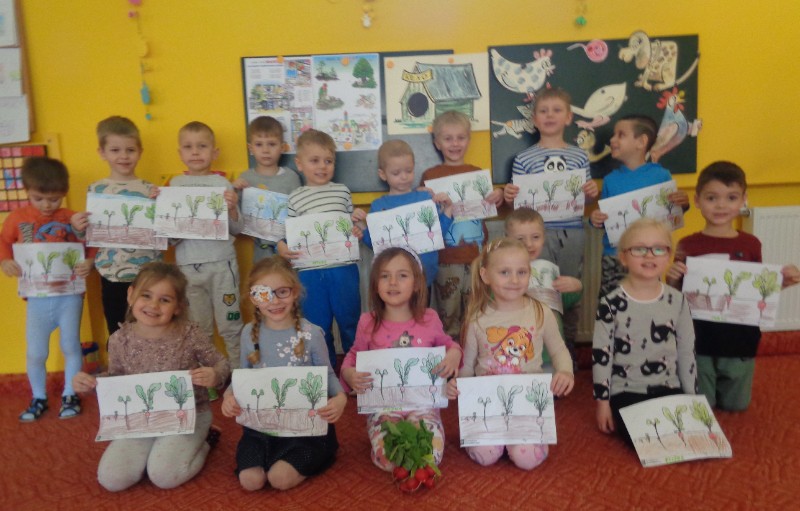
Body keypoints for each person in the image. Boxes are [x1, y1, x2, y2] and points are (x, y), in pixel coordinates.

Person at [72, 262, 231, 491]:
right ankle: (161, 449)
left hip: (187, 416)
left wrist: (215, 374)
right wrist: (92, 382)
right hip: (141, 418)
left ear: (178, 306)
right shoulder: (119, 339)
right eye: (146, 295)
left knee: (164, 476)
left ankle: (206, 440)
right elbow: (117, 377)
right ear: (131, 295)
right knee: (112, 479)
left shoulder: (189, 334)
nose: (153, 305)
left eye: (165, 300)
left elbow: (221, 363)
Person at [666, 161, 800, 411]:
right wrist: (672, 277)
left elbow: (756, 290)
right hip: (699, 335)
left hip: (739, 336)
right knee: (701, 404)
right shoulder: (687, 244)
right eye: (712, 198)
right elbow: (675, 294)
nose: (721, 205)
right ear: (697, 200)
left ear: (743, 200)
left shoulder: (751, 244)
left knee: (736, 405)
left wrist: (783, 282)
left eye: (731, 197)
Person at [447, 238, 574, 470]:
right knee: (485, 455)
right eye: (504, 272)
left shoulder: (541, 312)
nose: (514, 280)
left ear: (529, 273)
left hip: (527, 404)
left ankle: (517, 440)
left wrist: (566, 372)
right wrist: (459, 385)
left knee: (528, 459)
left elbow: (559, 350)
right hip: (489, 406)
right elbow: (467, 365)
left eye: (521, 272)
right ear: (486, 275)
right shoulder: (476, 318)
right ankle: (500, 438)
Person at [221, 256, 346, 491]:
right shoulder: (249, 333)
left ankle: (319, 453)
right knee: (250, 481)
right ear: (253, 298)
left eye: (282, 292)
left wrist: (340, 399)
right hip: (261, 428)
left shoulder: (311, 333)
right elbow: (242, 376)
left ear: (295, 292)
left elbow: (328, 374)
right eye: (264, 293)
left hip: (305, 429)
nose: (274, 301)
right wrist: (229, 396)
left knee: (279, 479)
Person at [341, 247, 462, 471]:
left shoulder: (429, 318)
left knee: (430, 454)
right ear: (375, 284)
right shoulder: (368, 322)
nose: (393, 282)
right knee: (390, 458)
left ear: (416, 284)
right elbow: (353, 357)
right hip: (384, 407)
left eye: (402, 275)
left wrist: (454, 354)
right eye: (385, 276)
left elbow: (449, 345)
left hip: (424, 405)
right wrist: (349, 374)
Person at [503, 88, 600, 359]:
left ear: (568, 117)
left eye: (557, 110)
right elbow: (517, 210)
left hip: (572, 231)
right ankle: (537, 350)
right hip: (535, 235)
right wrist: (509, 197)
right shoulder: (523, 159)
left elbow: (586, 199)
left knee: (568, 288)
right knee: (537, 289)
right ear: (534, 119)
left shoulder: (579, 157)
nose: (549, 116)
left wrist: (592, 193)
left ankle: (568, 352)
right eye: (543, 111)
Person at [1, 157, 94, 422]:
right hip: (37, 297)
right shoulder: (18, 218)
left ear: (64, 192)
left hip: (69, 295)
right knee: (36, 352)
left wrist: (89, 261)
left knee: (70, 345)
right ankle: (38, 397)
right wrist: (5, 261)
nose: (46, 205)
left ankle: (70, 394)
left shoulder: (71, 218)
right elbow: (4, 242)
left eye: (54, 199)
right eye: (38, 198)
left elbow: (91, 245)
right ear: (26, 191)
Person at [593, 219, 696, 445]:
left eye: (658, 249)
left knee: (681, 435)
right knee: (645, 439)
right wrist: (602, 404)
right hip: (626, 390)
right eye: (639, 249)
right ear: (623, 257)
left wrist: (692, 400)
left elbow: (686, 351)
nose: (649, 255)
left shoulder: (677, 300)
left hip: (668, 386)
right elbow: (602, 357)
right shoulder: (610, 303)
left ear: (668, 256)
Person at [277, 129, 365, 367]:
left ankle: (354, 369)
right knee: (317, 326)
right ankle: (326, 373)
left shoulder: (342, 191)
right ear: (299, 164)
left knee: (350, 322)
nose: (322, 166)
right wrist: (281, 247)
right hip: (310, 273)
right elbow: (286, 235)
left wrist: (358, 226)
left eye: (328, 161)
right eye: (314, 160)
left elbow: (351, 228)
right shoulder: (295, 198)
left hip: (343, 269)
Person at [421, 111, 504, 339]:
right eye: (448, 138)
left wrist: (499, 194)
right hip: (445, 260)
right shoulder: (430, 176)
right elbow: (423, 218)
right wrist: (420, 196)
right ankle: (452, 356)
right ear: (437, 143)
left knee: (477, 316)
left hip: (477, 260)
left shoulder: (477, 174)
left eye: (460, 137)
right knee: (448, 317)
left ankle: (474, 356)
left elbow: (493, 203)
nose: (455, 144)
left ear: (468, 139)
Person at [589, 115, 689, 297]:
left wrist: (683, 203)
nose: (612, 140)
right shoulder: (610, 180)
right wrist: (595, 219)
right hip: (614, 256)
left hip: (648, 255)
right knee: (611, 303)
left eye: (620, 135)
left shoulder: (661, 176)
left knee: (647, 300)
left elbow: (672, 214)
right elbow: (606, 222)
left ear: (641, 142)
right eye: (613, 135)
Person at [81, 115, 162, 338]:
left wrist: (163, 205)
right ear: (102, 152)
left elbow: (165, 229)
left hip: (148, 274)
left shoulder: (151, 190)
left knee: (151, 329)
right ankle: (119, 363)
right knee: (117, 331)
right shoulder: (96, 190)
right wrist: (79, 225)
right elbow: (92, 233)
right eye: (115, 150)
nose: (124, 156)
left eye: (130, 150)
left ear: (140, 151)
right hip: (111, 273)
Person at [171, 121, 244, 368]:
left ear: (214, 152)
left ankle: (238, 373)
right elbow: (169, 236)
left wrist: (232, 208)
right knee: (198, 327)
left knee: (231, 322)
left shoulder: (223, 185)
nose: (195, 152)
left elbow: (237, 228)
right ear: (180, 153)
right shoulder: (174, 186)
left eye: (202, 146)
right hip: (188, 267)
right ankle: (208, 375)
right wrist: (159, 209)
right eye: (188, 147)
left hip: (222, 264)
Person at [362, 139, 453, 294]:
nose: (404, 177)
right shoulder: (378, 206)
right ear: (383, 174)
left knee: (422, 310)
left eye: (409, 171)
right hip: (394, 282)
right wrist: (361, 227)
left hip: (424, 276)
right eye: (396, 173)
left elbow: (437, 235)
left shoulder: (425, 198)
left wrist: (448, 209)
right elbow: (375, 244)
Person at [504, 208, 582, 365]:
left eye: (535, 237)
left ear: (543, 238)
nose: (529, 244)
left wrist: (576, 287)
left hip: (549, 350)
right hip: (516, 349)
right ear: (507, 239)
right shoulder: (502, 272)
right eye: (520, 239)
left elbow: (563, 303)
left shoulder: (548, 270)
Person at [233, 116, 302, 262]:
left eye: (271, 144)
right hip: (260, 252)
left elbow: (300, 215)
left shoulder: (291, 178)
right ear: (250, 148)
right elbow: (236, 221)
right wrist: (234, 190)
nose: (265, 150)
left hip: (289, 250)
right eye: (259, 144)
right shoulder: (245, 179)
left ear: (282, 147)